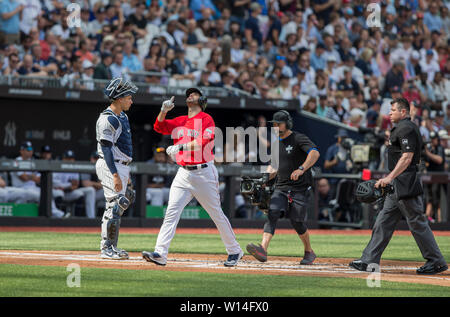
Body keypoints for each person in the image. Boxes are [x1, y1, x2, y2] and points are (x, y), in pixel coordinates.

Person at [142, 88, 244, 267]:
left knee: (216, 213)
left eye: (194, 94)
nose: (190, 95)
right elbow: (159, 127)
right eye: (189, 94)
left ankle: (235, 250)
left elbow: (203, 142)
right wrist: (163, 111)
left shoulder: (206, 119)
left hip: (204, 172)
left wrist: (180, 148)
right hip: (183, 173)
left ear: (201, 100)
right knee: (171, 212)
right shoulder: (181, 120)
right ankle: (160, 253)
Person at [349, 97, 448, 275]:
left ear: (403, 112)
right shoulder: (401, 128)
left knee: (417, 222)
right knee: (383, 221)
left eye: (393, 110)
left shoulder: (407, 127)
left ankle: (436, 261)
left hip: (405, 182)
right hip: (398, 184)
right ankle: (369, 259)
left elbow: (407, 157)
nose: (389, 113)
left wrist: (389, 177)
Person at [246, 110, 320, 265]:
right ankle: (263, 250)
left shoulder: (299, 138)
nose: (276, 126)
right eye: (274, 124)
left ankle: (309, 251)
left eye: (279, 123)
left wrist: (301, 168)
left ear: (288, 123)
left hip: (300, 188)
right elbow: (273, 167)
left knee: (297, 221)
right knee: (272, 213)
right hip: (281, 187)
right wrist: (264, 179)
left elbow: (314, 153)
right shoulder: (275, 144)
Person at [95, 77, 138, 260]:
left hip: (122, 166)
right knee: (115, 205)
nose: (131, 100)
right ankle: (107, 248)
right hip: (109, 164)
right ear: (119, 98)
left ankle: (111, 246)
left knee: (125, 199)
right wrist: (114, 174)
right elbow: (106, 148)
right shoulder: (108, 119)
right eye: (128, 97)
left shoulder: (123, 116)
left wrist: (124, 175)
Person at [9, 141, 66, 218]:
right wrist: (32, 177)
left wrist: (31, 177)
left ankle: (55, 214)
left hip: (32, 188)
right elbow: (23, 177)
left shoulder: (32, 161)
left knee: (47, 193)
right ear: (21, 151)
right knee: (40, 195)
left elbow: (38, 179)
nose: (30, 151)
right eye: (28, 149)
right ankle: (57, 215)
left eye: (31, 149)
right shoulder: (17, 161)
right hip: (21, 188)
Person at [53, 150, 97, 218]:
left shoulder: (73, 168)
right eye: (68, 158)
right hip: (57, 192)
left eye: (71, 158)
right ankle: (58, 216)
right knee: (59, 193)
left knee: (87, 191)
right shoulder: (57, 167)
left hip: (69, 192)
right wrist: (69, 185)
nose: (70, 160)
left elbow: (75, 186)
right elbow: (54, 185)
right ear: (63, 158)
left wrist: (66, 187)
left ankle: (88, 218)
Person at [424, 131, 446, 223]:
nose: (433, 141)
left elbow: (439, 160)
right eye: (432, 139)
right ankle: (428, 217)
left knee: (437, 199)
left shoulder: (440, 148)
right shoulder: (429, 148)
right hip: (429, 177)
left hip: (438, 177)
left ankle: (439, 220)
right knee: (428, 198)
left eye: (434, 139)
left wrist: (427, 153)